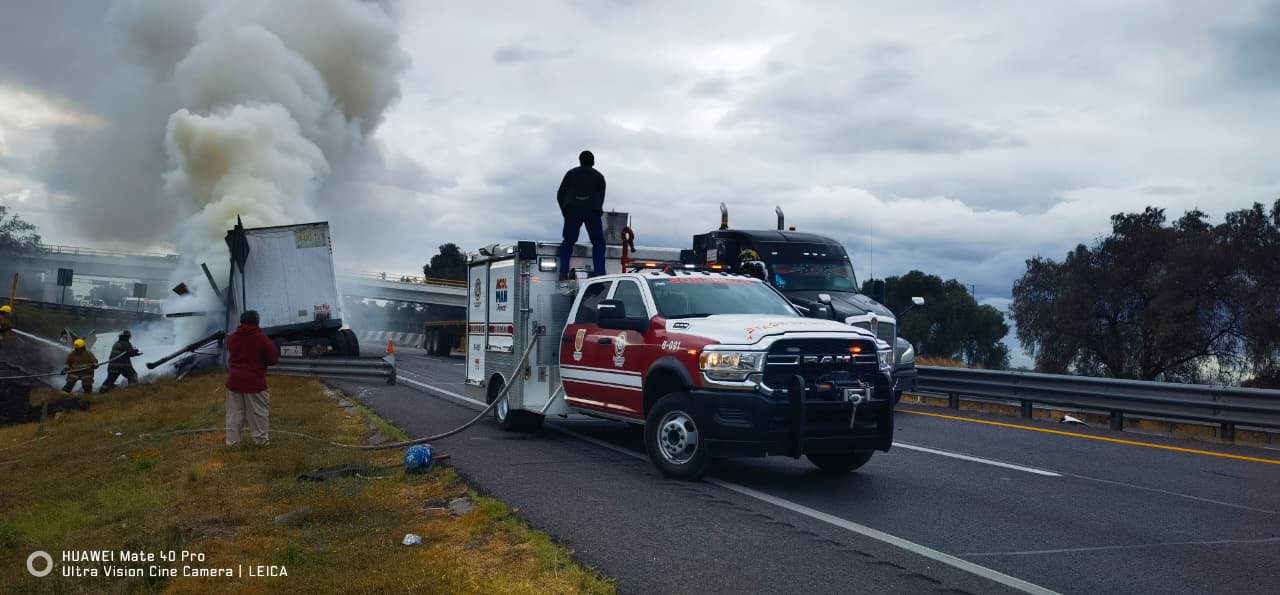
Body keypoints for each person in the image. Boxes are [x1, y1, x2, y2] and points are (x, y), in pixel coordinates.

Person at [225, 310, 280, 446]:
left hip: (234, 382)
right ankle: (260, 442)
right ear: (257, 322)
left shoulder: (231, 338)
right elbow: (273, 359)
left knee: (234, 414)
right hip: (255, 382)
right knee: (258, 413)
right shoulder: (261, 338)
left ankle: (232, 443)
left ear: (241, 322)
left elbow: (229, 358)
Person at [557, 150, 608, 280]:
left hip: (572, 210)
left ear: (580, 160)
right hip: (592, 211)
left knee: (568, 241)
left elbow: (560, 194)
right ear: (593, 162)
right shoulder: (599, 177)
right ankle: (600, 272)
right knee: (598, 243)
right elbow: (602, 196)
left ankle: (563, 272)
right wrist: (596, 209)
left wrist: (565, 211)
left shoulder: (571, 174)